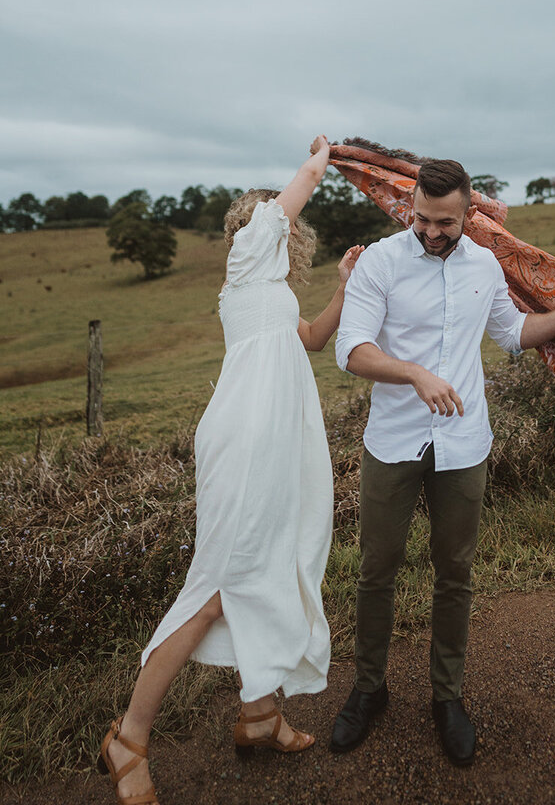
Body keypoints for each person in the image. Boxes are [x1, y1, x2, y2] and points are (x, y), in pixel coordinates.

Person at [99, 136, 363, 805]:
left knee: (272, 565)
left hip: (276, 444)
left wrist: (341, 287)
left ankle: (259, 715)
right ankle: (128, 739)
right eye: (267, 216)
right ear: (255, 231)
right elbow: (296, 190)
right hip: (246, 443)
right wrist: (328, 155)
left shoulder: (268, 294)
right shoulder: (247, 265)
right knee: (219, 584)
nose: (272, 221)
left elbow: (317, 338)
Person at [330, 158, 555, 767]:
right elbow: (351, 349)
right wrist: (412, 372)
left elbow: (514, 333)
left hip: (464, 442)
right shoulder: (380, 261)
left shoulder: (485, 264)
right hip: (393, 441)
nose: (430, 231)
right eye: (421, 219)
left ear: (469, 213)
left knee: (455, 572)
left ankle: (446, 698)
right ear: (412, 209)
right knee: (378, 571)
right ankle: (369, 689)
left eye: (444, 222)